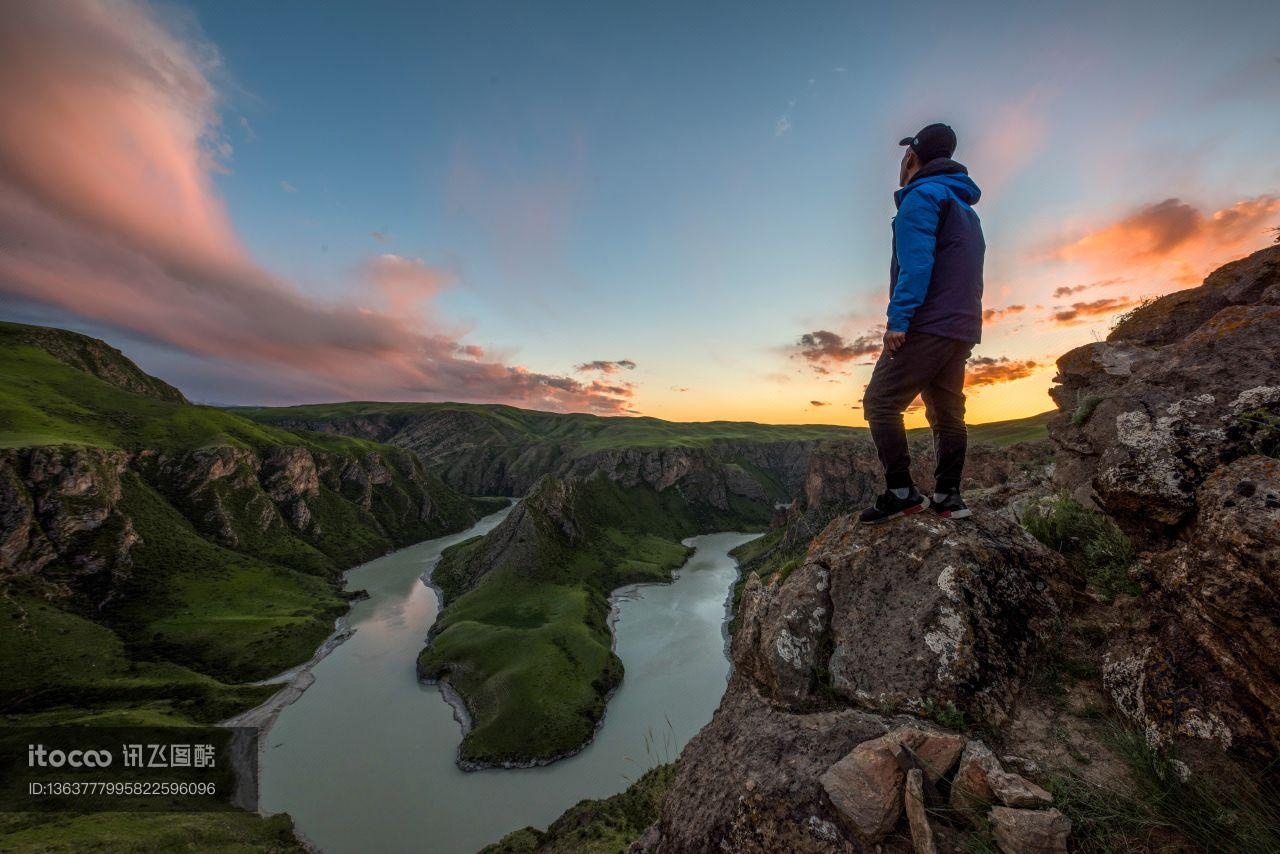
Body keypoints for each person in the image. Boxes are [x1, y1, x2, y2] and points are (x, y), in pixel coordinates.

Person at [859, 122, 985, 524]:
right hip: (960, 328)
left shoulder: (921, 198)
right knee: (948, 414)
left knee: (880, 404)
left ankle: (901, 492)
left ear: (911, 157)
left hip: (926, 324)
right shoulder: (965, 210)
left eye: (904, 156)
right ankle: (949, 498)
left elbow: (917, 265)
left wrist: (899, 321)